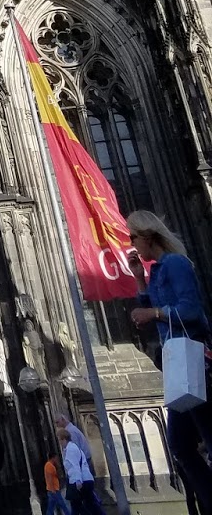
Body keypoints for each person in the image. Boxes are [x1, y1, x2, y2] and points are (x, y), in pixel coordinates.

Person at [126, 210, 212, 515]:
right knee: (180, 444)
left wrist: (154, 314)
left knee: (194, 442)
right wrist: (139, 279)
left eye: (133, 237)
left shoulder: (175, 264)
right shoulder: (158, 270)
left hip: (194, 362)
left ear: (149, 235)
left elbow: (191, 310)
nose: (132, 243)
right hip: (178, 365)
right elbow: (154, 306)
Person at [58, 427, 98, 515]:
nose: (60, 443)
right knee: (84, 505)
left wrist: (78, 481)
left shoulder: (71, 449)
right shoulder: (72, 448)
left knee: (82, 505)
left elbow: (74, 466)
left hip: (81, 481)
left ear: (64, 439)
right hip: (83, 480)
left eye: (60, 440)